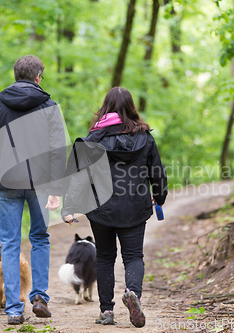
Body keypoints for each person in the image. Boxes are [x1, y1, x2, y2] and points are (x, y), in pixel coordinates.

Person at [62, 87, 168, 328]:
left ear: (105, 107)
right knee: (133, 256)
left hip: (101, 209)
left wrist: (68, 206)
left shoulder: (93, 139)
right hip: (135, 206)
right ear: (132, 107)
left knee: (105, 258)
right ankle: (133, 294)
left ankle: (107, 311)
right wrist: (159, 196)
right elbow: (157, 172)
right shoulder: (145, 138)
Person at [0, 55, 66, 325]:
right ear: (38, 77)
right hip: (39, 183)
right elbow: (58, 150)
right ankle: (39, 297)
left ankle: (14, 309)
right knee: (40, 238)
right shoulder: (50, 106)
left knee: (10, 242)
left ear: (16, 75)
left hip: (6, 183)